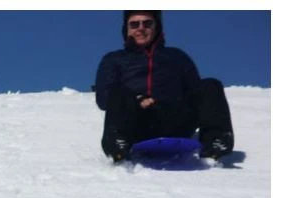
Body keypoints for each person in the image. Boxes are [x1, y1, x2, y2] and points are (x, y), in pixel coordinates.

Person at [94, 10, 235, 162]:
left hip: (175, 120)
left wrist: (171, 101)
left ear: (157, 28)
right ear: (126, 30)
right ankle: (117, 146)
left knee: (210, 85)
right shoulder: (113, 59)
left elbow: (197, 93)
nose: (140, 28)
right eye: (134, 24)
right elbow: (103, 98)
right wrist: (137, 98)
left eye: (147, 23)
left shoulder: (177, 56)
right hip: (135, 123)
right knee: (117, 91)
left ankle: (215, 143)